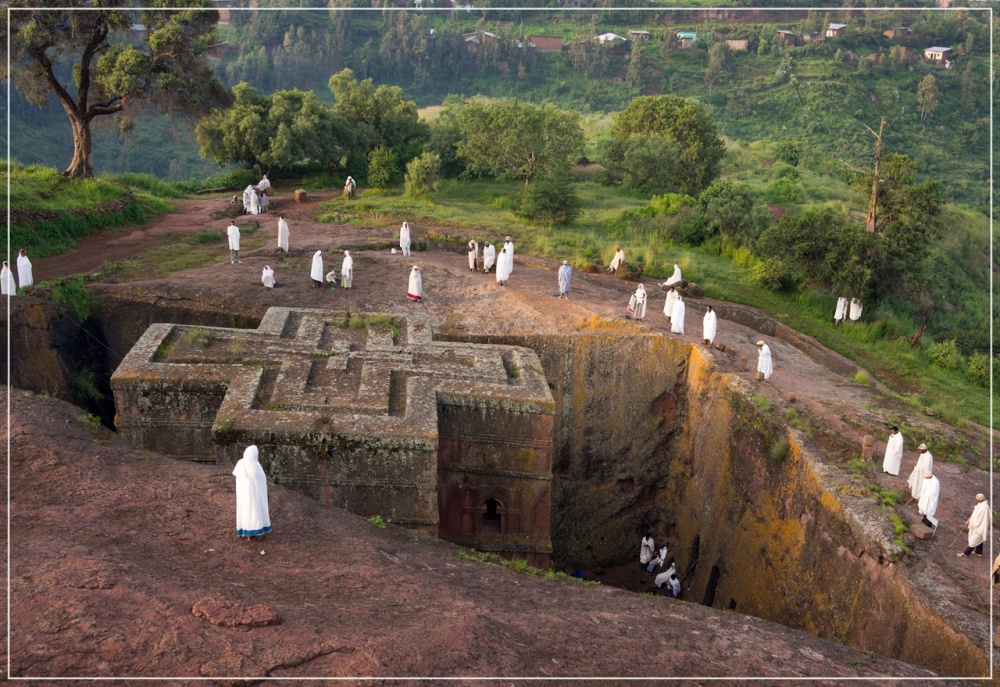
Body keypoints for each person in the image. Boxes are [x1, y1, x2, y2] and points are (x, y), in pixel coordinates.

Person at [233, 445, 271, 538]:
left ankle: (247, 532)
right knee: (256, 512)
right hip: (255, 497)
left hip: (244, 497)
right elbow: (261, 482)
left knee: (246, 512)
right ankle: (257, 530)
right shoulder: (256, 466)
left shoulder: (240, 464)